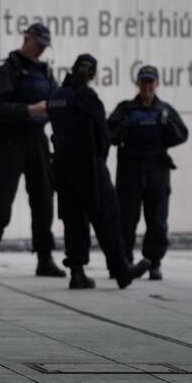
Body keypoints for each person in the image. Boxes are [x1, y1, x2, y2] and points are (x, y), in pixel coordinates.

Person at [47, 54, 151, 289]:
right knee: (108, 218)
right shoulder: (87, 96)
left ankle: (77, 272)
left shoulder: (55, 96)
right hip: (89, 169)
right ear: (92, 74)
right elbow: (103, 134)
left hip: (63, 167)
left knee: (73, 220)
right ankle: (121, 270)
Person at [0, 23, 65, 280]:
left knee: (44, 200)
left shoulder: (45, 72)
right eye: (38, 46)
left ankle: (44, 258)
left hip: (37, 140)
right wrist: (29, 110)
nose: (41, 52)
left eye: (44, 48)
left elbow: (57, 99)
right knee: (1, 201)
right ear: (26, 39)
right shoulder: (7, 69)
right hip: (10, 140)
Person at [107, 65, 188, 281]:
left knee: (157, 220)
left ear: (157, 84)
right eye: (144, 82)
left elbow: (182, 135)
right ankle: (124, 261)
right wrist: (125, 126)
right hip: (130, 170)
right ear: (138, 83)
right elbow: (109, 135)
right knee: (126, 219)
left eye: (151, 82)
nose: (147, 86)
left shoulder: (165, 110)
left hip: (157, 169)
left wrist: (167, 125)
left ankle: (153, 262)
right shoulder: (125, 109)